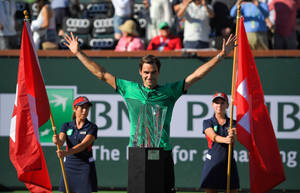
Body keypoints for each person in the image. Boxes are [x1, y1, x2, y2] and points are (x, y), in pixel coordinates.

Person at [63, 31, 236, 193]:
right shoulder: (128, 89)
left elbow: (196, 75)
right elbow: (101, 73)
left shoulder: (170, 91)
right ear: (140, 72)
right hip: (137, 152)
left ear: (158, 72)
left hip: (163, 152)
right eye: (146, 72)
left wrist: (221, 55)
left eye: (153, 72)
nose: (149, 76)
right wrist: (79, 53)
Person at [53, 96, 98, 193]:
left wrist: (66, 153)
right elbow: (60, 142)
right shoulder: (66, 126)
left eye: (87, 108)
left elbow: (82, 145)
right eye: (82, 107)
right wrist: (56, 140)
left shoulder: (92, 127)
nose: (85, 110)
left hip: (85, 166)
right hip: (69, 165)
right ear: (74, 108)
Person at [200, 92, 239, 193]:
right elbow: (213, 136)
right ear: (213, 105)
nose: (219, 105)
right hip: (213, 162)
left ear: (227, 105)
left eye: (222, 103)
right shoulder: (207, 122)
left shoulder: (233, 123)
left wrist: (233, 134)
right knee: (210, 191)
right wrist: (226, 139)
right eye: (217, 103)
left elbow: (236, 137)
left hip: (229, 161)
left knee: (233, 190)